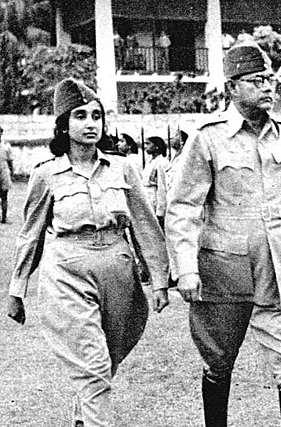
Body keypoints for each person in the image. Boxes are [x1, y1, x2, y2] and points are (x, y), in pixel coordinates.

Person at [165, 42, 281, 427]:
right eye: (257, 80)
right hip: (223, 270)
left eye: (270, 79)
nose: (268, 87)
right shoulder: (207, 138)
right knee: (219, 360)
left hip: (280, 268)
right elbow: (183, 208)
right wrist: (186, 269)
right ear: (232, 88)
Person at [6, 78, 169, 427]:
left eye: (96, 115)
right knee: (93, 366)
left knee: (105, 361)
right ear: (64, 125)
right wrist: (16, 291)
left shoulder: (124, 168)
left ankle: (83, 421)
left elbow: (145, 227)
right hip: (68, 273)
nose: (91, 123)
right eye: (80, 116)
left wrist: (159, 281)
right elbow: (30, 236)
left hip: (118, 273)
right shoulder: (47, 174)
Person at [142, 136, 168, 229]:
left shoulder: (161, 162)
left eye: (148, 144)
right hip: (147, 197)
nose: (145, 146)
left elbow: (162, 187)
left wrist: (160, 210)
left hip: (154, 199)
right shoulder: (149, 161)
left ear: (156, 146)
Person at [0, 125, 14, 223]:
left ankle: (4, 218)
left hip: (3, 171)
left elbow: (10, 161)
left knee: (4, 195)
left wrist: (11, 172)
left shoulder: (6, 146)